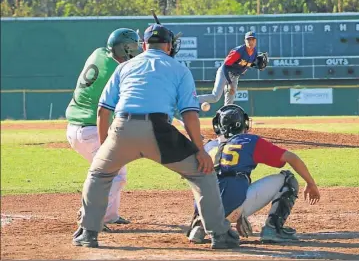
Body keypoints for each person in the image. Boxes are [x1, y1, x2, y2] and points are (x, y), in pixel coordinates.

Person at [72, 23, 240, 249]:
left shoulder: (125, 67)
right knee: (203, 174)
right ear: (169, 46)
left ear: (143, 45)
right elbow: (190, 114)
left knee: (99, 174)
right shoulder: (179, 69)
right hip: (160, 132)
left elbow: (103, 110)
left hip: (121, 129)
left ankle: (88, 233)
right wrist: (200, 151)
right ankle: (219, 234)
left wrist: (105, 148)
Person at [186, 104, 321, 244]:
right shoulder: (249, 141)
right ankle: (273, 229)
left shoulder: (207, 147)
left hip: (205, 210)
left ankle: (199, 225)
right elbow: (291, 158)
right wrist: (311, 183)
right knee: (288, 178)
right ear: (243, 124)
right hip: (233, 208)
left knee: (207, 182)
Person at [66, 28, 142, 229]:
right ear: (123, 49)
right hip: (91, 129)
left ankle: (109, 215)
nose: (136, 51)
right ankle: (91, 216)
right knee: (112, 174)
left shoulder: (99, 53)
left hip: (77, 127)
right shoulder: (115, 72)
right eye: (132, 47)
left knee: (112, 172)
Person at [198, 31, 263, 107]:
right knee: (215, 97)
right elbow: (225, 66)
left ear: (255, 41)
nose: (251, 41)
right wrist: (230, 83)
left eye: (253, 39)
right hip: (224, 73)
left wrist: (256, 66)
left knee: (229, 102)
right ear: (245, 41)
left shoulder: (254, 53)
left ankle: (225, 117)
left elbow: (247, 63)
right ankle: (193, 99)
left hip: (235, 76)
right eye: (248, 39)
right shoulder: (237, 52)